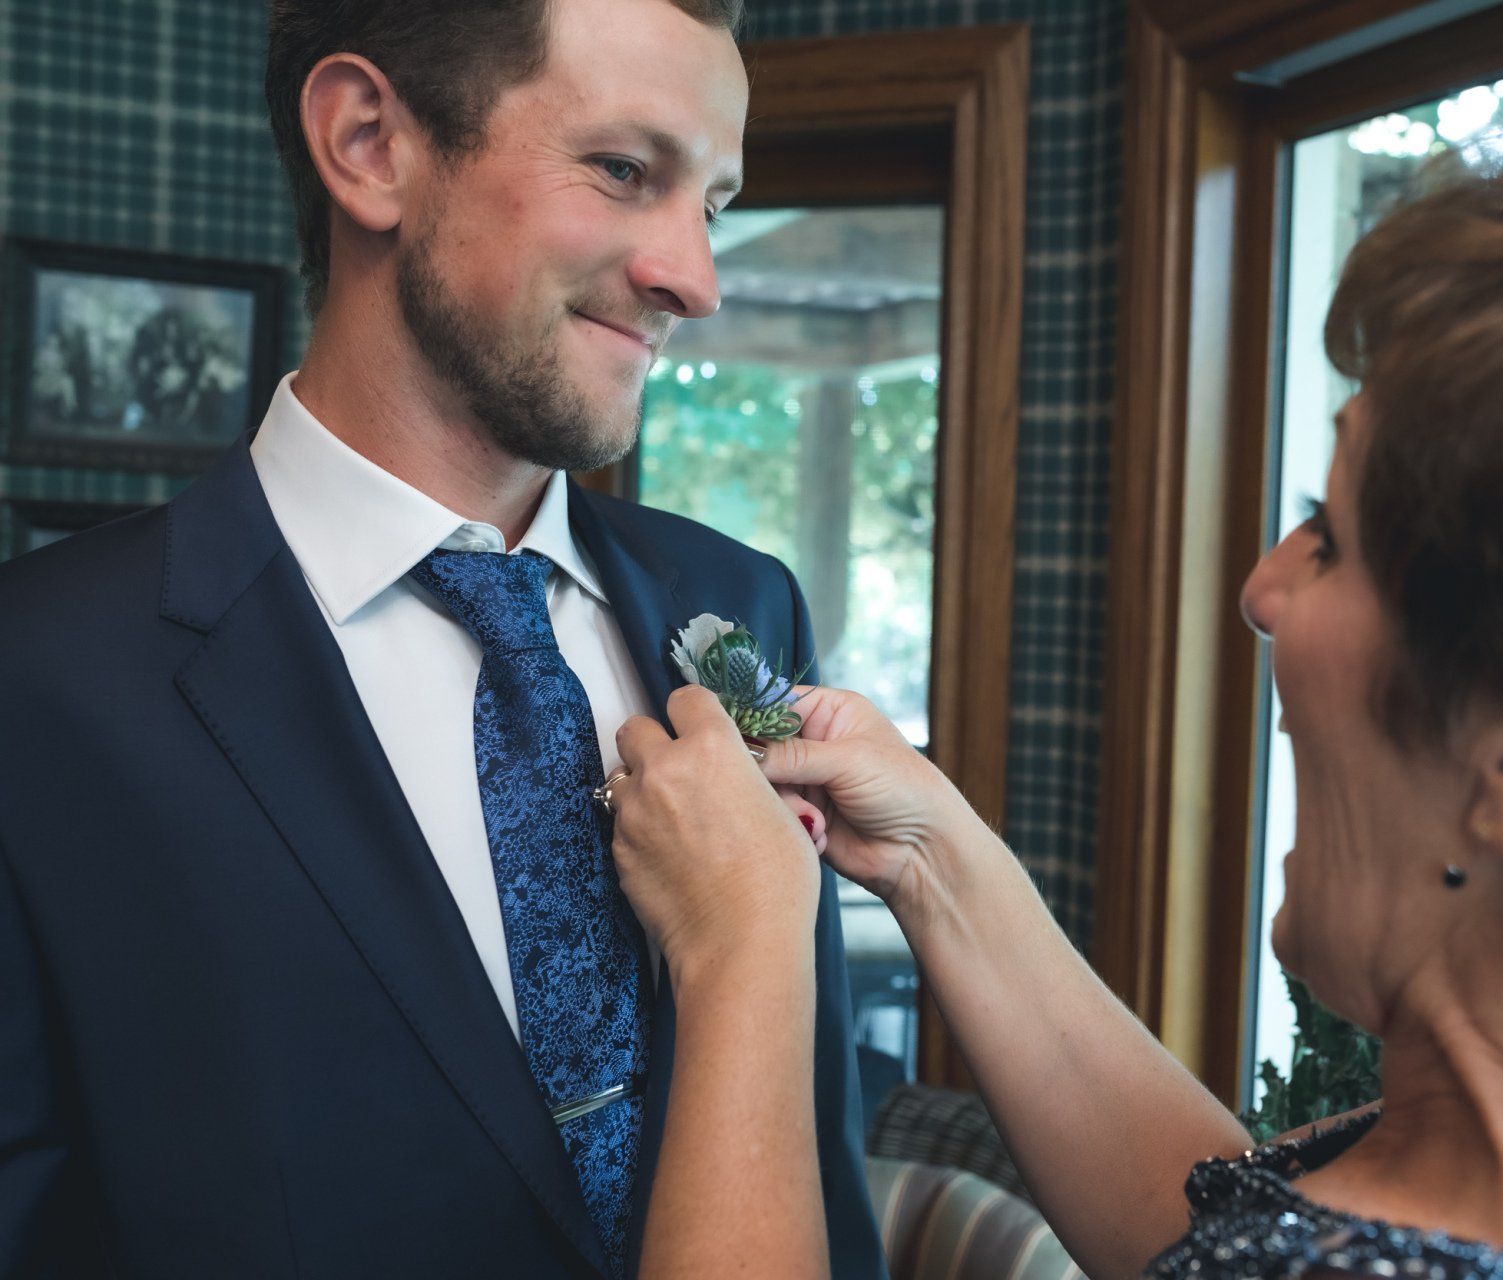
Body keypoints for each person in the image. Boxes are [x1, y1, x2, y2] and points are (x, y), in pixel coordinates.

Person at [603, 126, 1503, 1280]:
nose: (1262, 588)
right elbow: (1250, 1234)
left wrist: (744, 962)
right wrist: (943, 863)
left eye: (1331, 538)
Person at [0, 1, 886, 1276]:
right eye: (626, 171)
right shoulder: (38, 684)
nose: (697, 277)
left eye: (715, 204)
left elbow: (815, 1178)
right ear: (368, 142)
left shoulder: (743, 603)